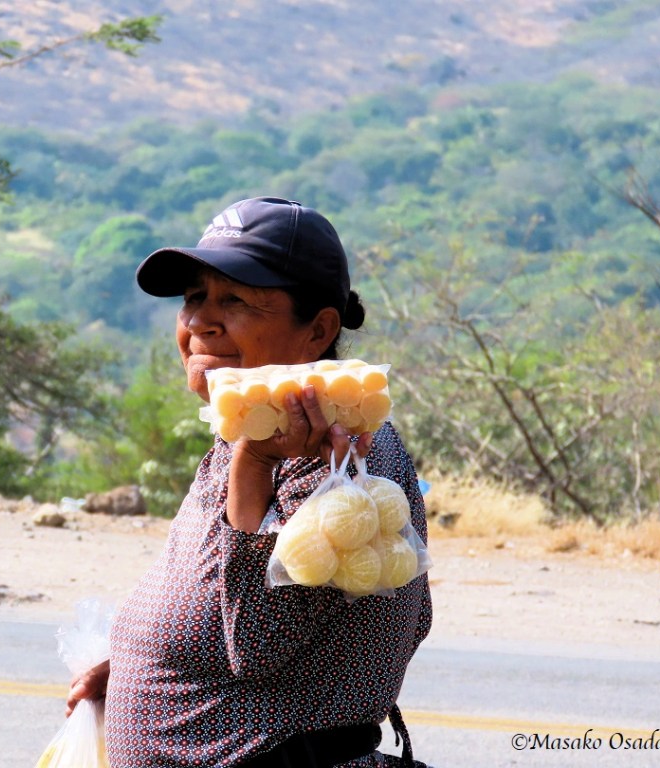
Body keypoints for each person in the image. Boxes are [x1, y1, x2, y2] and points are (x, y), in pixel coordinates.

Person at [65, 197, 433, 767]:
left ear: (318, 331)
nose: (200, 322)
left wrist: (254, 464)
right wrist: (139, 658)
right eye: (193, 298)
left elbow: (258, 645)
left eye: (233, 300)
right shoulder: (257, 434)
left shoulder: (339, 458)